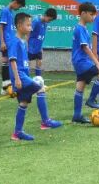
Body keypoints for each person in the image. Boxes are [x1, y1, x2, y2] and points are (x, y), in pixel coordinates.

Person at [9, 12, 62, 141]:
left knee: (23, 103)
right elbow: (12, 61)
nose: (31, 28)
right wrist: (17, 79)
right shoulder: (15, 42)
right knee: (40, 88)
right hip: (20, 76)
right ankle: (45, 121)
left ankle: (17, 133)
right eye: (28, 25)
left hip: (23, 75)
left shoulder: (22, 42)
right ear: (19, 25)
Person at [70, 2, 99, 124]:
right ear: (83, 13)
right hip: (82, 62)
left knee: (80, 87)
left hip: (79, 62)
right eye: (91, 14)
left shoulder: (83, 28)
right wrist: (97, 63)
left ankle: (77, 116)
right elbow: (85, 48)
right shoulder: (80, 29)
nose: (93, 17)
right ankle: (91, 100)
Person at [0, 0, 26, 95]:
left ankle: (7, 86)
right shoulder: (5, 11)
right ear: (15, 2)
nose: (18, 8)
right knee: (6, 62)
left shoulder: (10, 11)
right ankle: (5, 87)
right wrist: (2, 42)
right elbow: (1, 27)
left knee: (10, 62)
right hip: (5, 42)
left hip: (10, 41)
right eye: (19, 6)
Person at [28, 8, 57, 78]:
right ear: (45, 15)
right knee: (27, 63)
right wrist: (26, 45)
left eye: (51, 20)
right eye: (49, 19)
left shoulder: (45, 24)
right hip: (31, 46)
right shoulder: (36, 21)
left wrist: (41, 47)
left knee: (39, 62)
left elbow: (41, 35)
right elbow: (28, 32)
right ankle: (25, 79)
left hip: (38, 47)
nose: (49, 21)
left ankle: (38, 79)